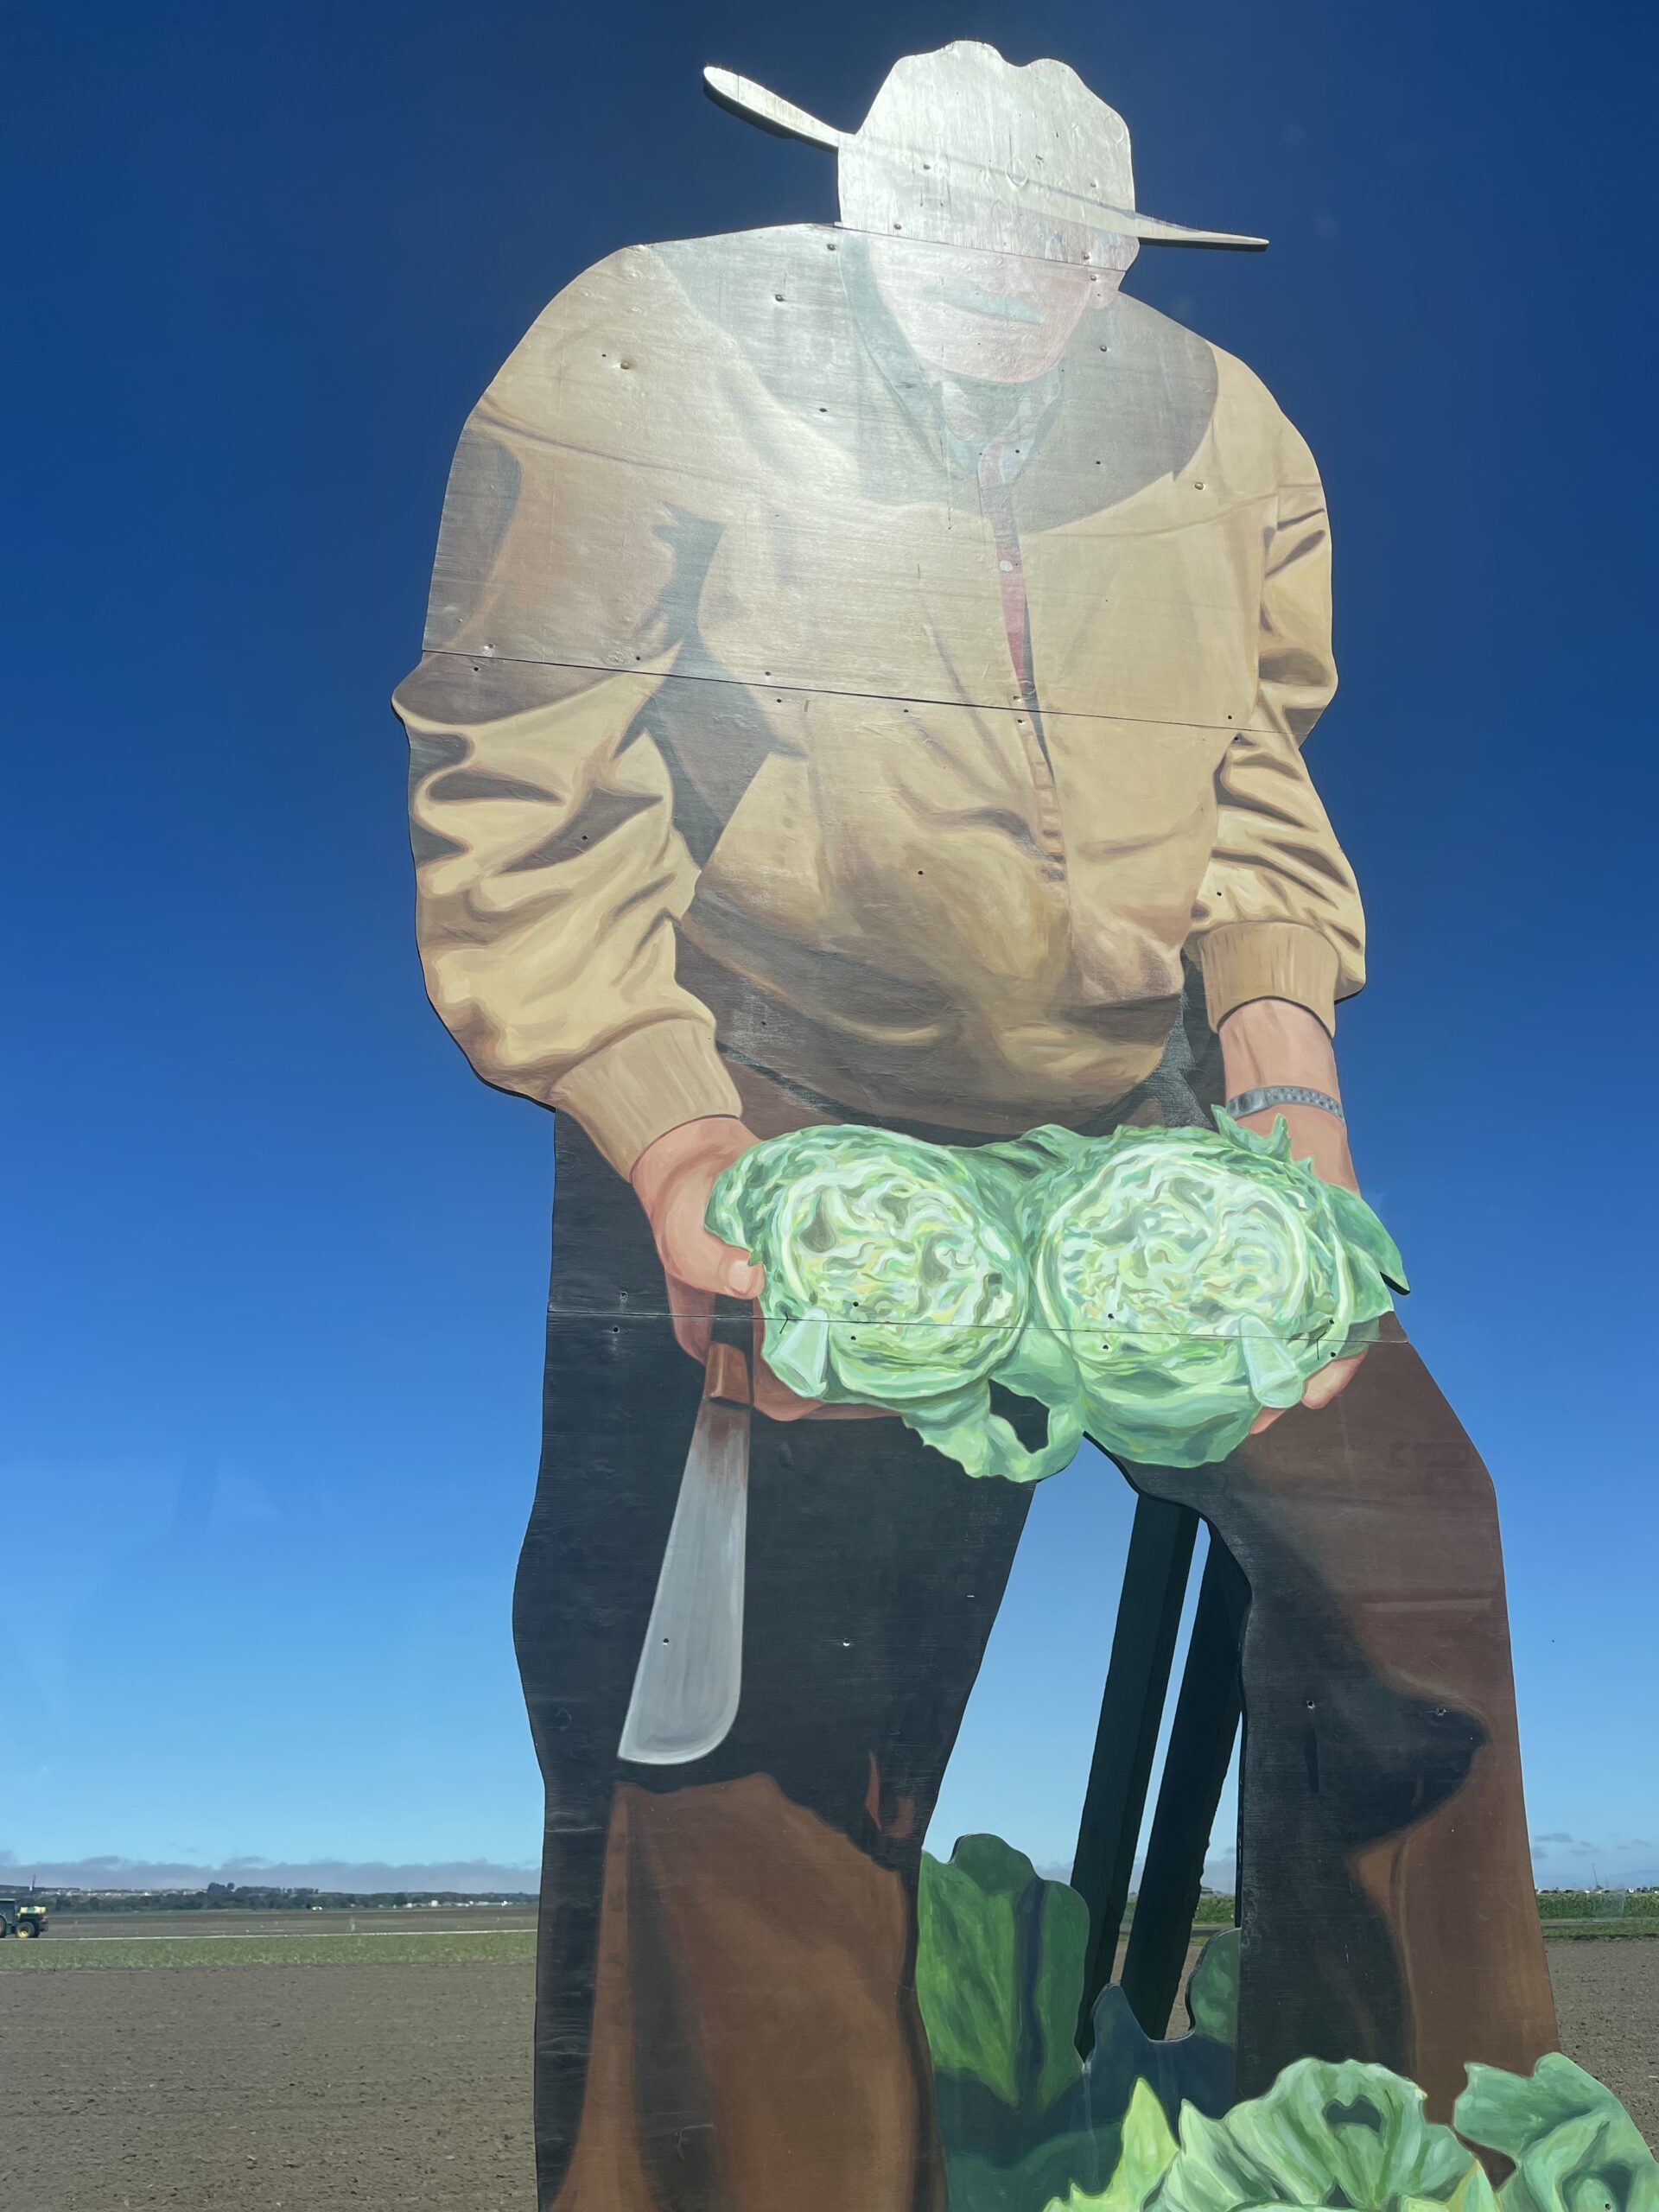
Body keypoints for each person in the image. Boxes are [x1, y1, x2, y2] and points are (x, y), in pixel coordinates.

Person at [394, 44, 1555, 2211]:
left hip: (1148, 1113)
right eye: (954, 228)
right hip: (777, 1091)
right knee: (771, 1717)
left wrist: (1288, 1096)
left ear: (1119, 249)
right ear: (859, 210)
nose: (1012, 281)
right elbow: (521, 781)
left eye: (1063, 246)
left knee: (1421, 1553)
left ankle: (1411, 2150)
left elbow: (1254, 789)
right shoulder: (634, 356)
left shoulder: (1232, 434)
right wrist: (669, 1137)